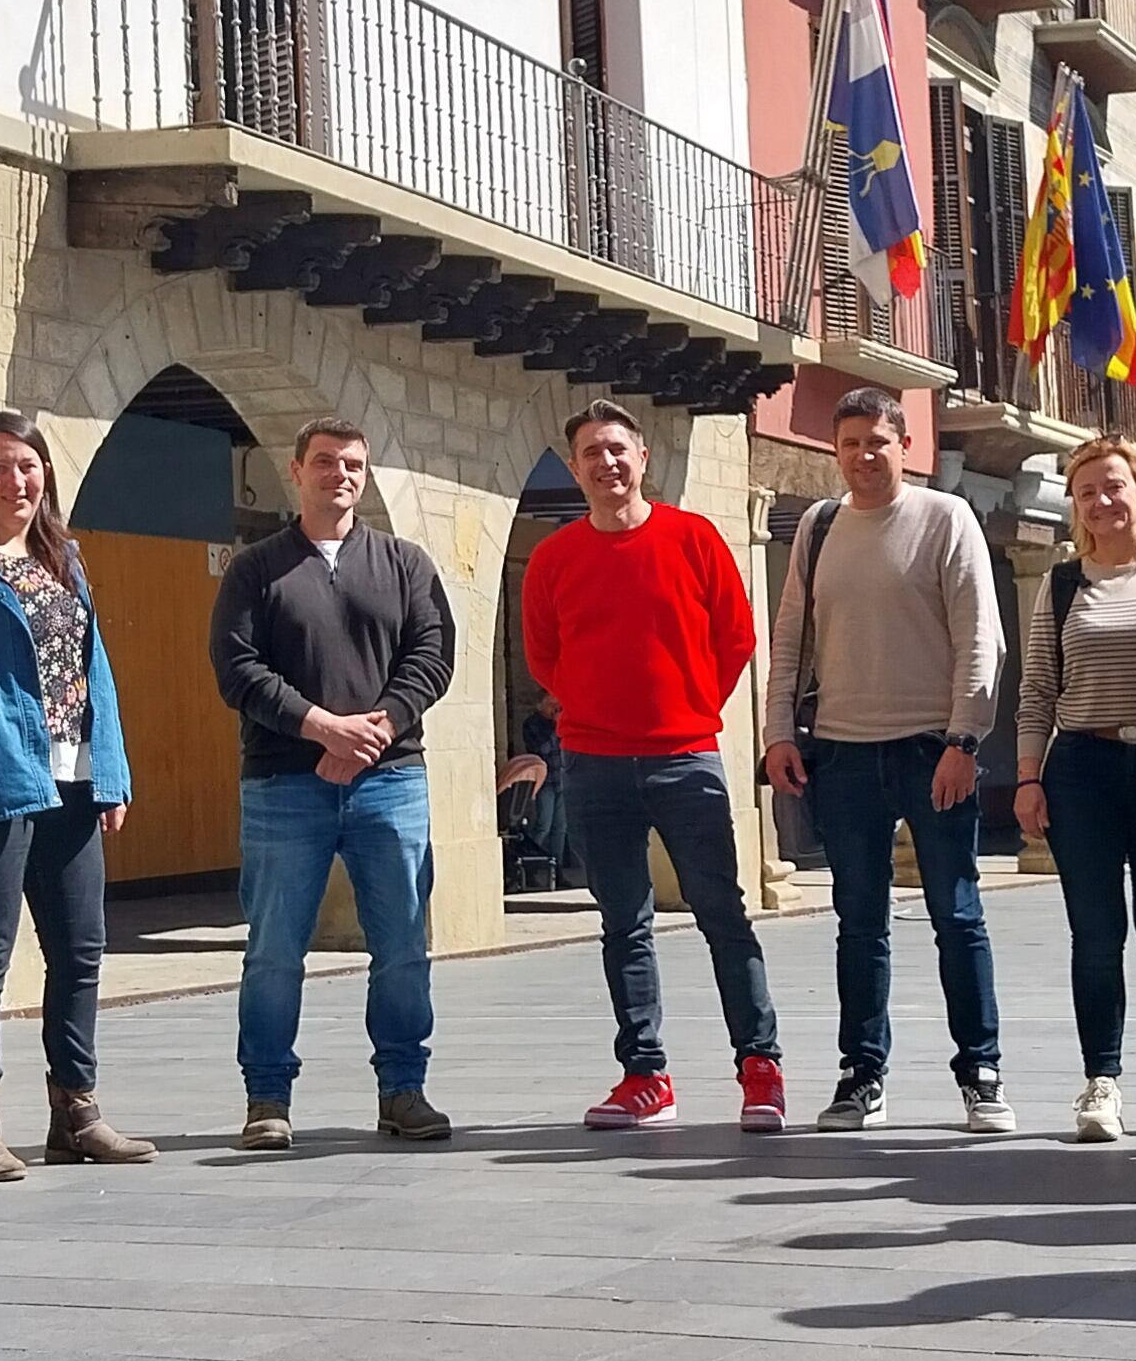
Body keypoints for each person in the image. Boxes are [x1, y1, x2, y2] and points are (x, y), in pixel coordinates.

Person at [518, 398, 779, 1130]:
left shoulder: (693, 538)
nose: (606, 463)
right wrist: (596, 706)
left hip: (685, 757)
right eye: (591, 453)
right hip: (593, 762)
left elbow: (735, 636)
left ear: (642, 458)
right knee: (623, 923)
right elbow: (543, 655)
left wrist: (688, 705)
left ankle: (760, 1068)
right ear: (575, 470)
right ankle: (644, 1076)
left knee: (721, 913)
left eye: (617, 449)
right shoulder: (554, 558)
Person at [761, 388, 1009, 1133]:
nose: (864, 456)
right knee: (859, 922)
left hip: (933, 750)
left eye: (877, 441)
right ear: (834, 453)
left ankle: (981, 1073)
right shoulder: (819, 526)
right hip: (842, 753)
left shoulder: (946, 517)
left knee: (956, 914)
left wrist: (965, 741)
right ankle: (861, 1075)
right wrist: (778, 732)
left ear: (905, 446)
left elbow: (980, 638)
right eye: (850, 444)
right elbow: (789, 637)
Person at [211, 418, 457, 1151]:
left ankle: (403, 1090)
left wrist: (376, 730)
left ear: (365, 474)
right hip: (284, 785)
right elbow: (238, 669)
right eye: (324, 462)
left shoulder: (405, 564)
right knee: (274, 950)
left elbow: (433, 655)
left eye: (352, 464)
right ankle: (267, 1099)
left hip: (391, 781)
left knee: (403, 945)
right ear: (296, 472)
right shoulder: (255, 570)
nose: (339, 474)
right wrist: (321, 727)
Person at [0, 410, 145, 1174]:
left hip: (72, 779)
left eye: (28, 466)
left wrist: (111, 772)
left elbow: (93, 669)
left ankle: (76, 1113)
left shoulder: (63, 557)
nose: (17, 481)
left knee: (80, 949)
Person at [1013, 434, 1136, 1144]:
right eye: (1087, 491)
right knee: (1095, 935)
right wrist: (1028, 777)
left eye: (1114, 486)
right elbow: (1038, 688)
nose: (1102, 501)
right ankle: (1101, 1082)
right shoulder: (1063, 583)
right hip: (1081, 771)